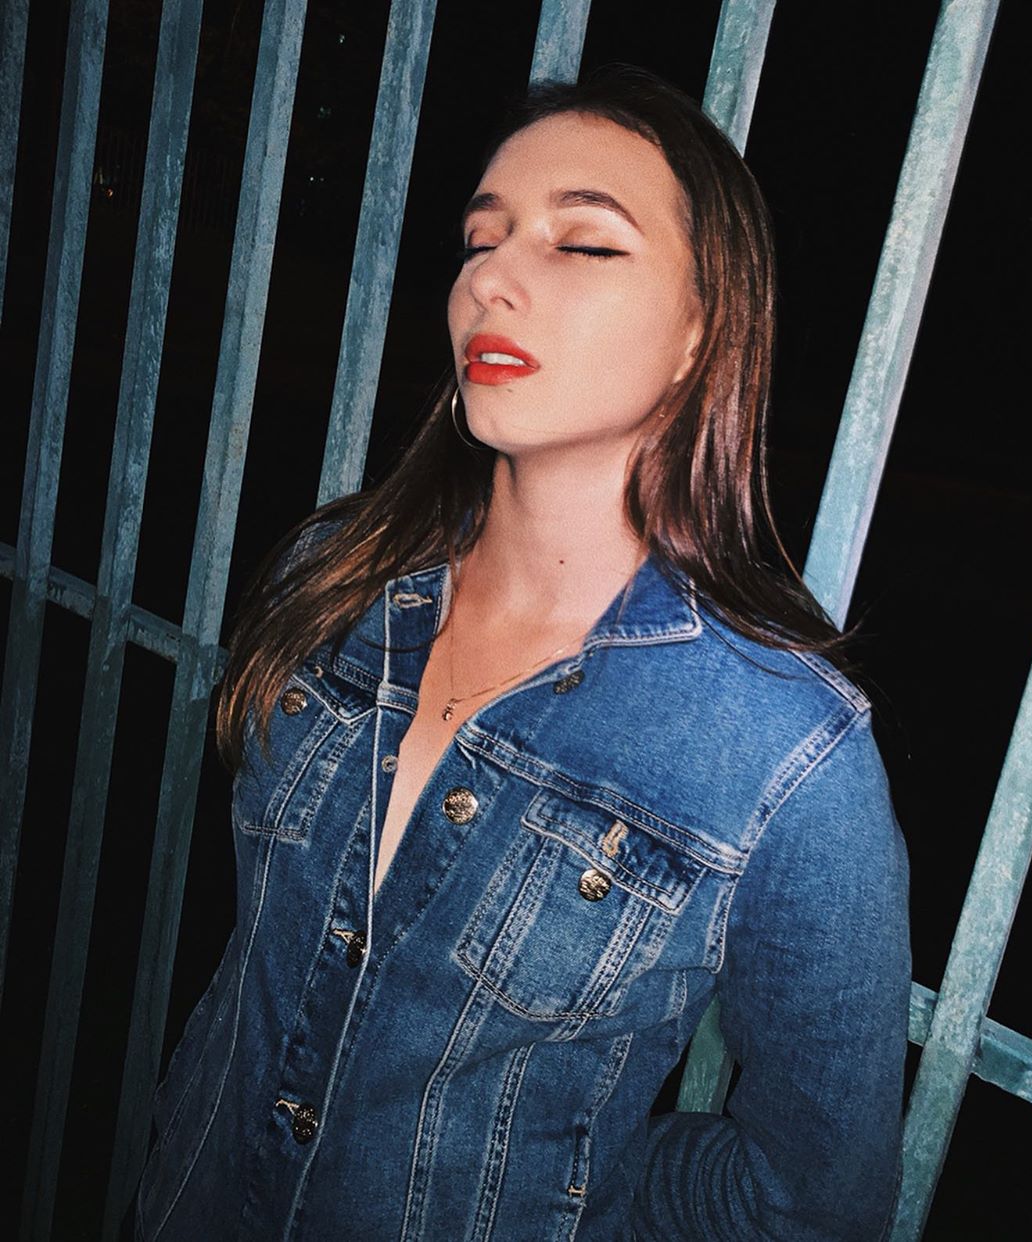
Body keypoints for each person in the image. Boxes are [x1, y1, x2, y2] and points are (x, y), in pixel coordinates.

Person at [134, 63, 911, 1242]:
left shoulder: (783, 754)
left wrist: (568, 1195)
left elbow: (810, 1196)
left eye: (582, 244)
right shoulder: (336, 579)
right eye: (480, 238)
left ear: (702, 330)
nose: (490, 278)